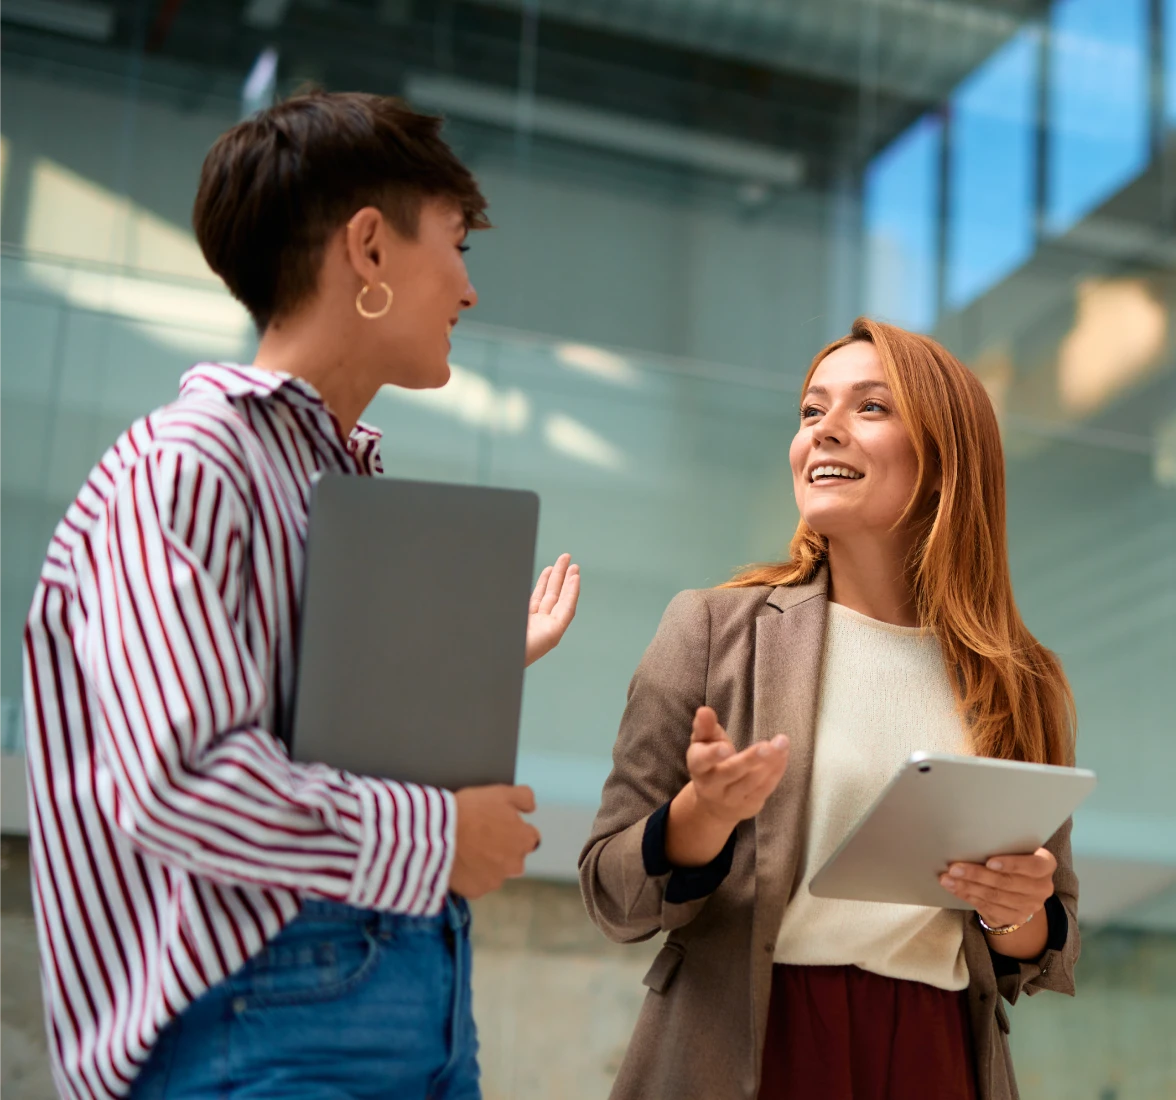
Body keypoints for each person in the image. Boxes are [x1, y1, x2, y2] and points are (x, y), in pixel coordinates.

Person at [23, 90, 579, 1100]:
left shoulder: (330, 485)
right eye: (456, 245)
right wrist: (441, 834)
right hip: (267, 1008)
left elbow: (299, 730)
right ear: (369, 248)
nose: (468, 290)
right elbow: (181, 779)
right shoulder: (186, 463)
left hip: (415, 986)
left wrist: (467, 667)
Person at [580, 318, 1078, 1100]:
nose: (825, 433)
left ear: (945, 463)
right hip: (750, 1043)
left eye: (871, 408)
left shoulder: (1022, 678)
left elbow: (1044, 943)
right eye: (812, 412)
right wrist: (699, 819)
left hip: (938, 1051)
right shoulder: (709, 629)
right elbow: (612, 893)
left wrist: (1016, 910)